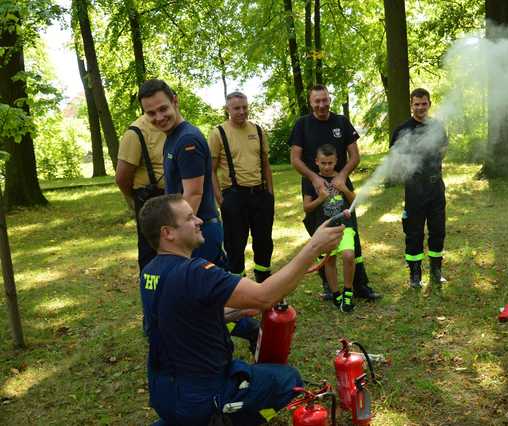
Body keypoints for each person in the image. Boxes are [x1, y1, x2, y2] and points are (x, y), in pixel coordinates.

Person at [138, 194, 343, 425]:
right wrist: (315, 245)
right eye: (189, 218)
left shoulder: (150, 272)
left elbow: (180, 316)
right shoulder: (195, 272)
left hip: (165, 395)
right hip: (202, 396)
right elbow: (265, 295)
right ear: (168, 233)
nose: (199, 220)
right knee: (288, 379)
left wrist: (233, 312)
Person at [288, 84, 381, 301]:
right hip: (314, 184)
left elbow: (355, 156)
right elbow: (295, 159)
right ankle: (330, 287)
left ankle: (360, 286)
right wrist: (314, 178)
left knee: (351, 237)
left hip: (341, 186)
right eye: (317, 101)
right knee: (321, 238)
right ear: (311, 102)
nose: (321, 105)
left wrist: (342, 176)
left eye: (325, 100)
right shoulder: (302, 125)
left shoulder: (341, 122)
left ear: (330, 99)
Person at [137, 78, 227, 269]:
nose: (159, 117)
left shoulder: (187, 140)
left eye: (163, 109)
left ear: (175, 102)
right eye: (151, 113)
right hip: (190, 230)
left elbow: (193, 194)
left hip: (197, 232)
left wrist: (176, 240)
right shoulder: (173, 136)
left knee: (205, 296)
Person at [209, 92, 274, 282]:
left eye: (245, 107)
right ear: (228, 109)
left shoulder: (258, 130)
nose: (242, 111)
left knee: (264, 242)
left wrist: (270, 193)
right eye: (237, 108)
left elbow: (265, 164)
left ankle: (264, 282)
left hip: (260, 195)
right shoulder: (218, 133)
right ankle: (238, 286)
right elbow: (210, 170)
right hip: (234, 196)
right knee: (235, 245)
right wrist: (220, 199)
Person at [390, 88, 448, 291]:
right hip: (414, 189)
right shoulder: (402, 129)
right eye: (416, 104)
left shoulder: (437, 127)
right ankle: (415, 274)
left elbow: (443, 149)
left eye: (424, 104)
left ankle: (436, 271)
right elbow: (395, 159)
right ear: (411, 105)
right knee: (414, 232)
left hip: (435, 187)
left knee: (438, 230)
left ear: (429, 104)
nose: (420, 107)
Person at [302, 144, 356, 312]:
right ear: (317, 162)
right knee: (329, 261)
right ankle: (336, 293)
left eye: (330, 163)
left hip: (344, 226)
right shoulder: (310, 181)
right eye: (323, 163)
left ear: (336, 161)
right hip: (324, 230)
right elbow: (307, 207)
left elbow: (354, 199)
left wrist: (344, 189)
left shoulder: (342, 177)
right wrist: (321, 198)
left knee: (348, 255)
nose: (327, 167)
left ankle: (348, 291)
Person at [115, 115, 166, 270]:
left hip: (175, 197)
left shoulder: (173, 127)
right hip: (149, 199)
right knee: (151, 250)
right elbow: (122, 178)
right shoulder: (135, 132)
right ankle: (151, 290)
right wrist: (135, 200)